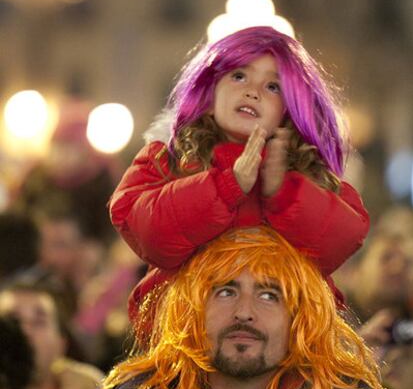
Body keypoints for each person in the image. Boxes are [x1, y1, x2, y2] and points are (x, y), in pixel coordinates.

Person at [63, 227, 395, 389]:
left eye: (268, 295)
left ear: (299, 318)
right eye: (225, 291)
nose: (244, 312)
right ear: (193, 310)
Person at [109, 26, 369, 326]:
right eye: (239, 76)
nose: (253, 91)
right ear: (209, 92)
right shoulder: (168, 158)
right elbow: (145, 230)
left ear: (289, 109)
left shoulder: (312, 175)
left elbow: (343, 238)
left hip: (286, 344)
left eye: (273, 87)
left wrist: (284, 193)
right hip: (188, 337)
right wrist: (224, 187)